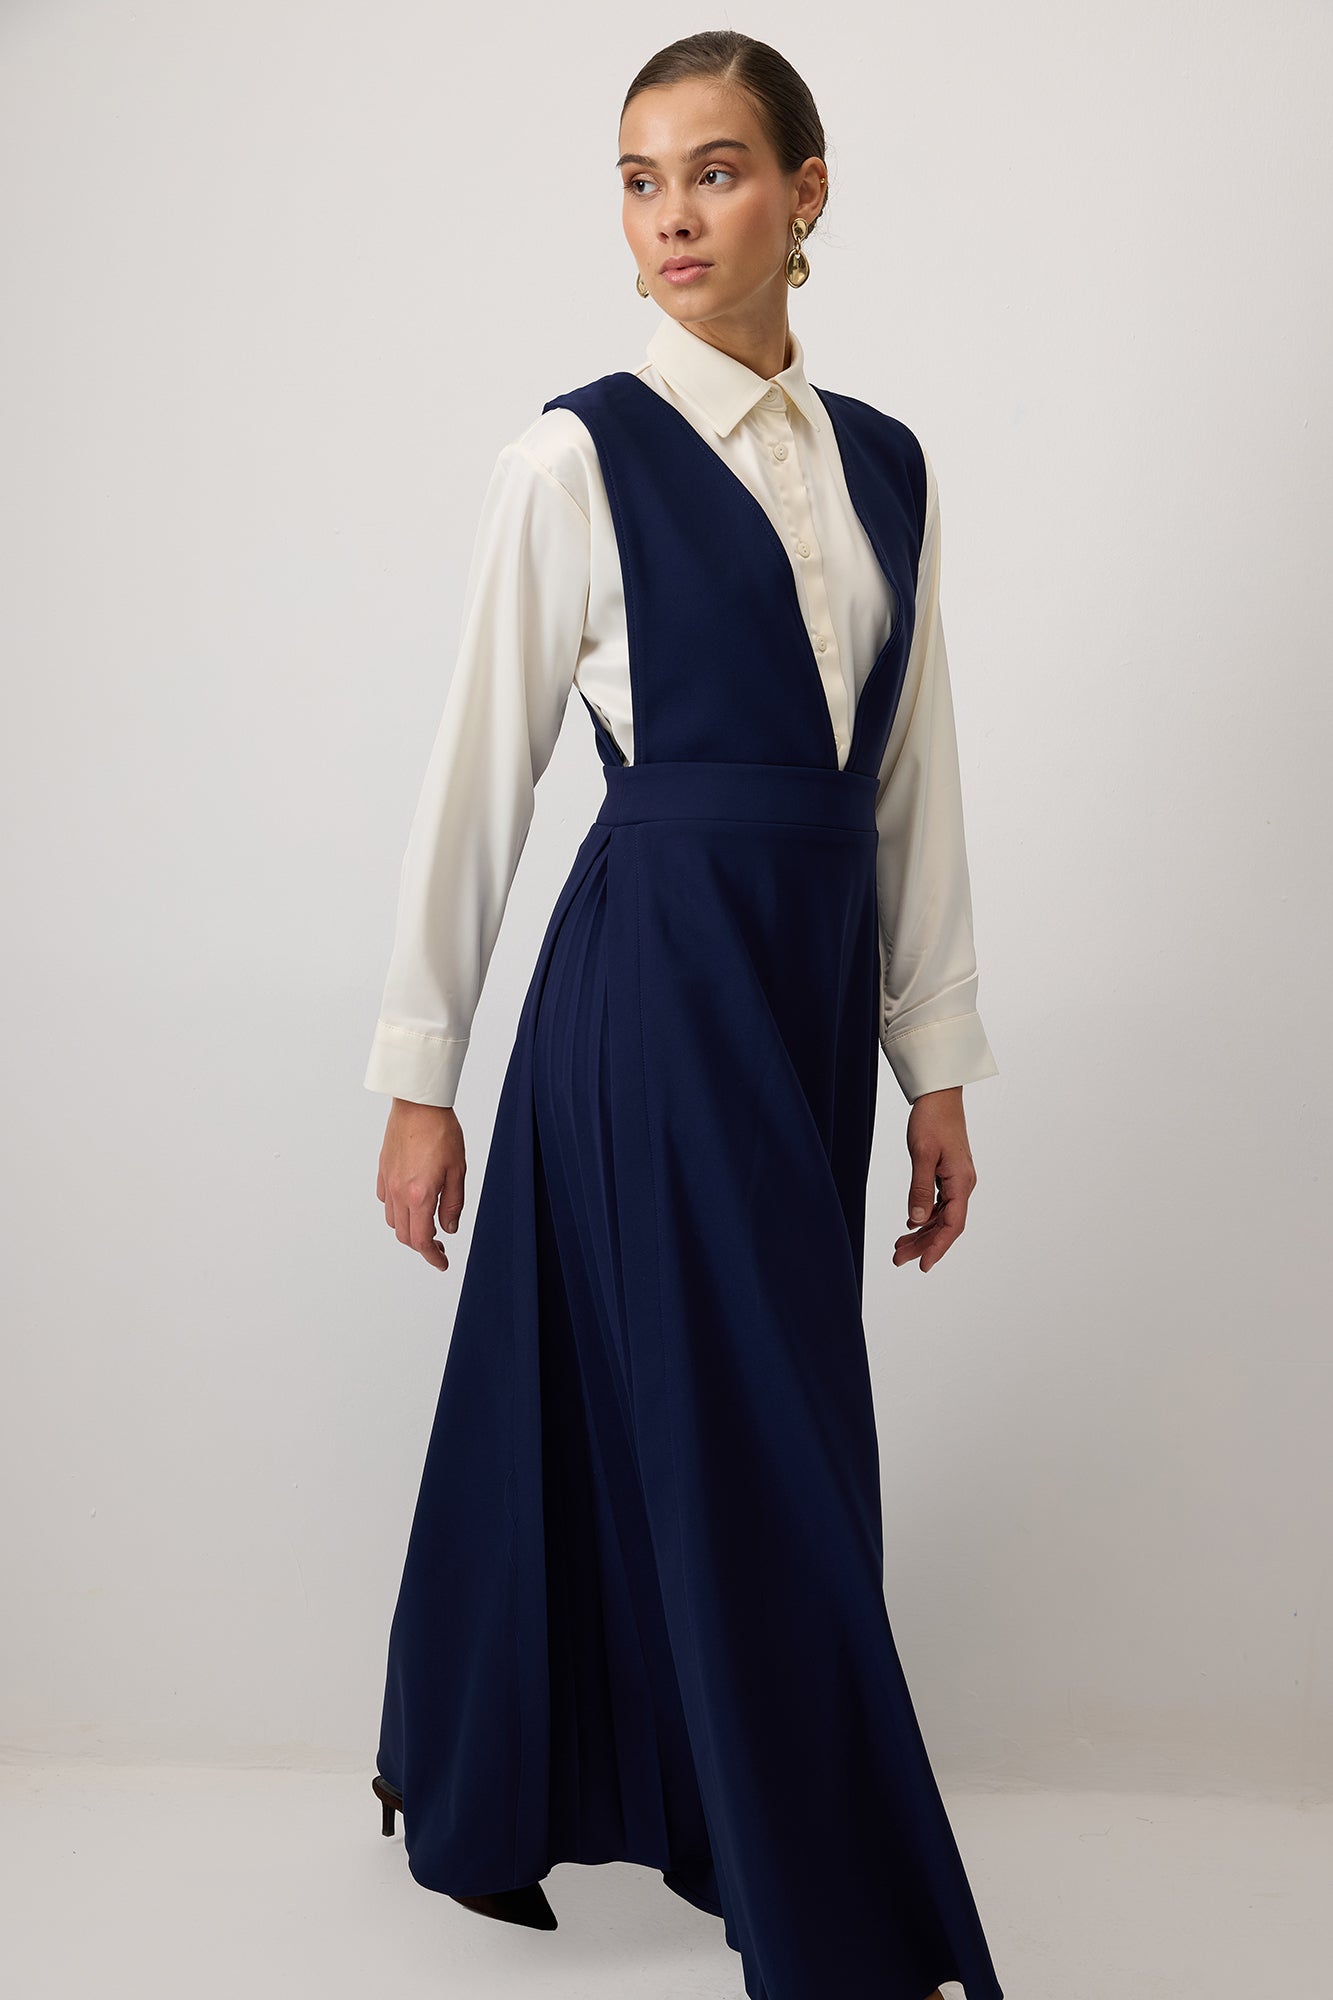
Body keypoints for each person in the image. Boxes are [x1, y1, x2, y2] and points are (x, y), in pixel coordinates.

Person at [363, 29, 1004, 2000]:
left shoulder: (886, 464)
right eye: (640, 180)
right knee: (750, 1424)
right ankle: (820, 1889)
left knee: (684, 1389)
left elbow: (910, 779)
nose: (671, 217)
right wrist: (420, 1073)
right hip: (649, 982)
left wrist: (934, 1066)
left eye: (715, 172)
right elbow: (475, 773)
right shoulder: (570, 458)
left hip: (806, 998)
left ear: (804, 197)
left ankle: (535, 1789)